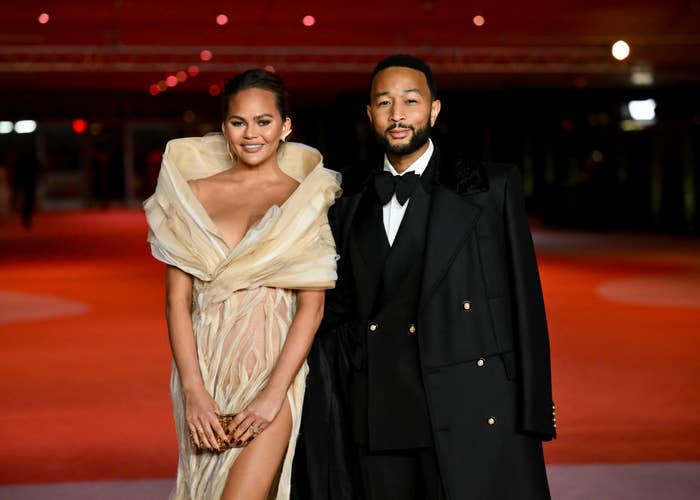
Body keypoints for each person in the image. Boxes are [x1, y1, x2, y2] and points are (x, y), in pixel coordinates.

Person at [294, 55, 556, 500]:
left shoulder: (491, 187)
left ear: (434, 110)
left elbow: (524, 303)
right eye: (384, 103)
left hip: (468, 400)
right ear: (370, 115)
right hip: (377, 403)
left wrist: (533, 410)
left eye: (411, 101)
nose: (397, 115)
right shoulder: (343, 196)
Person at [144, 69, 341, 500]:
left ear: (285, 126)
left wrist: (274, 395)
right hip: (207, 373)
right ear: (224, 128)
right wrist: (194, 392)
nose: (251, 134)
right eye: (239, 122)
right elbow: (177, 303)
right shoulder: (190, 194)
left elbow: (313, 306)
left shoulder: (305, 197)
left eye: (264, 121)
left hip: (274, 373)